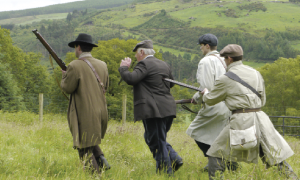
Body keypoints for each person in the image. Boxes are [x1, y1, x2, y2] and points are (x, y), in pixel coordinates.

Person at [201, 44, 298, 180]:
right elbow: (262, 100)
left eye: (224, 59)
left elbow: (210, 100)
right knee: (273, 154)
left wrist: (205, 93)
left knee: (215, 153)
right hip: (261, 118)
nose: (224, 62)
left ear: (229, 58)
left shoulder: (225, 78)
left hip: (241, 120)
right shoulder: (255, 73)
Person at [118, 40, 183, 175]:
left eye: (136, 53)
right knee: (153, 138)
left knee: (157, 141)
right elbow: (171, 84)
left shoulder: (144, 64)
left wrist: (124, 68)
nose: (136, 56)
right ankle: (175, 158)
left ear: (142, 52)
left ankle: (165, 172)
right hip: (168, 108)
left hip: (154, 110)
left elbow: (131, 79)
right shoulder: (164, 64)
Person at [61, 33, 110, 173]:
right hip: (101, 111)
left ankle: (95, 175)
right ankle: (101, 159)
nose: (75, 49)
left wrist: (64, 76)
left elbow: (67, 88)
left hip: (84, 113)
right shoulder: (103, 64)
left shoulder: (74, 65)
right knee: (90, 142)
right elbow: (106, 86)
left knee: (84, 149)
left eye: (75, 47)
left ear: (79, 47)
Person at [186, 34, 233, 171]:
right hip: (228, 105)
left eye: (201, 46)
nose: (200, 49)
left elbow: (206, 88)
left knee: (195, 131)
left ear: (207, 46)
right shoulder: (224, 61)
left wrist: (196, 98)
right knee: (218, 137)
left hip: (214, 105)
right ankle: (226, 164)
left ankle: (220, 163)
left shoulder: (206, 62)